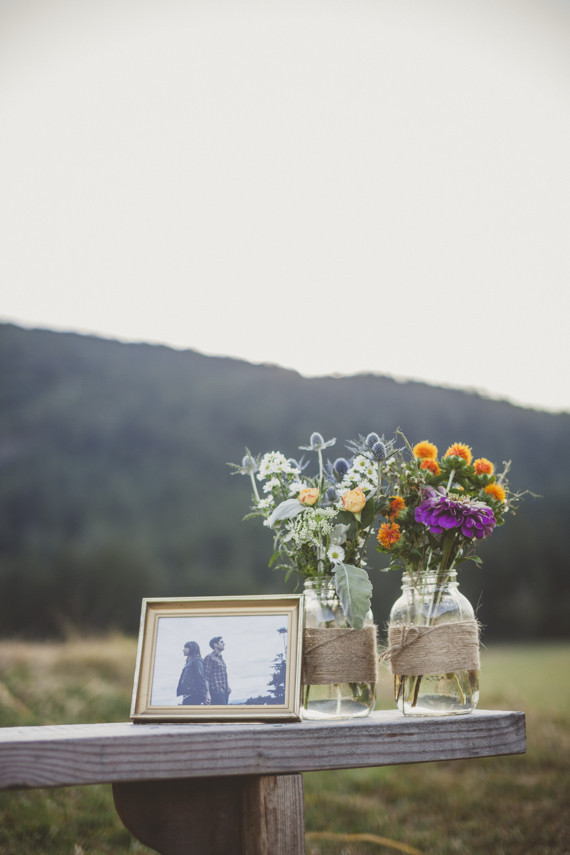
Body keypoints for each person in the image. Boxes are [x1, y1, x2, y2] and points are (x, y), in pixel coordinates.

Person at [203, 636, 231, 705]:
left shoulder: (221, 659)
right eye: (221, 642)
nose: (224, 644)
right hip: (216, 692)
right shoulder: (209, 657)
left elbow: (223, 675)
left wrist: (228, 687)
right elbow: (205, 677)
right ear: (215, 644)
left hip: (225, 692)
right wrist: (207, 693)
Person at [176, 641, 207, 705]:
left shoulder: (197, 660)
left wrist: (203, 696)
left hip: (193, 696)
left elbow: (200, 677)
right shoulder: (189, 662)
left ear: (191, 648)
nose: (183, 650)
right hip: (188, 696)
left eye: (185, 647)